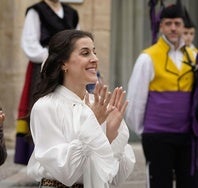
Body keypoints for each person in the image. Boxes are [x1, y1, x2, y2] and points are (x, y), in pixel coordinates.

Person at [27, 29, 135, 188]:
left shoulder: (97, 104)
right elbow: (65, 172)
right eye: (85, 53)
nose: (95, 59)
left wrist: (111, 135)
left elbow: (115, 177)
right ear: (64, 63)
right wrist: (94, 125)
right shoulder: (46, 107)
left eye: (94, 52)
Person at [126, 2, 198, 188]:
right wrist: (144, 131)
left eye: (177, 23)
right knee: (159, 183)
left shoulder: (194, 57)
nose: (173, 28)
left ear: (184, 26)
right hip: (158, 136)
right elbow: (136, 99)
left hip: (187, 136)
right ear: (161, 26)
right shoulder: (148, 57)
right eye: (168, 23)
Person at [15, 0, 79, 165]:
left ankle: (66, 156)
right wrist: (52, 59)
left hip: (67, 69)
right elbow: (30, 45)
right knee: (42, 107)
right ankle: (38, 159)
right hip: (43, 69)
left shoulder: (71, 13)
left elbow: (78, 42)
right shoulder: (36, 11)